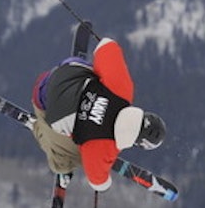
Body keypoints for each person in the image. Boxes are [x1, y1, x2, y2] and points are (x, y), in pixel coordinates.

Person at [30, 35, 166, 191]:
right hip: (42, 102)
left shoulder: (123, 90)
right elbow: (97, 181)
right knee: (69, 160)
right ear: (136, 142)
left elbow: (106, 46)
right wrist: (105, 180)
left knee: (99, 75)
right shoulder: (103, 146)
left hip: (58, 73)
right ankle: (39, 129)